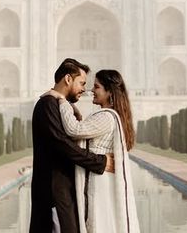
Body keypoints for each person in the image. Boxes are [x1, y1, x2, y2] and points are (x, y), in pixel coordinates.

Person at [48, 69, 140, 233]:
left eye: (96, 87)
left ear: (109, 92)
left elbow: (74, 130)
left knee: (99, 224)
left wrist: (61, 100)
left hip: (99, 182)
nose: (91, 90)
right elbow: (85, 133)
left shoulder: (107, 117)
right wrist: (75, 111)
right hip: (100, 178)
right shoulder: (109, 116)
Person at [29, 58, 114, 233]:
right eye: (82, 83)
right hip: (54, 193)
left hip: (63, 192)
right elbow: (63, 145)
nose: (84, 89)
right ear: (68, 79)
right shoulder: (47, 105)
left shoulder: (58, 105)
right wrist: (100, 162)